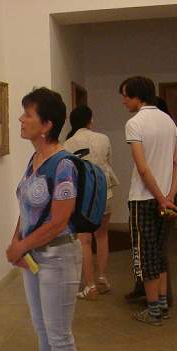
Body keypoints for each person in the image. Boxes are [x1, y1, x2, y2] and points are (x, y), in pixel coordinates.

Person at [6, 87, 82, 351]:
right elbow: (28, 207)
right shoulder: (34, 159)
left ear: (47, 124)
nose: (21, 120)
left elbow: (58, 221)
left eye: (28, 114)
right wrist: (16, 242)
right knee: (41, 328)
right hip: (34, 257)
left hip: (59, 258)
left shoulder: (63, 165)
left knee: (59, 333)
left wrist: (21, 246)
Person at [120, 77, 177, 326]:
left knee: (145, 256)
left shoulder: (135, 123)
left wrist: (160, 198)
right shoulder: (169, 121)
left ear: (137, 96)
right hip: (163, 198)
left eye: (125, 96)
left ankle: (153, 310)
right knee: (158, 252)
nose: (123, 101)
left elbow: (143, 168)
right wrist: (169, 197)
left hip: (143, 198)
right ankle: (162, 306)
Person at [63, 105, 120, 300]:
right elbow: (108, 163)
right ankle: (102, 277)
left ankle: (90, 286)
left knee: (84, 241)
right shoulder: (103, 139)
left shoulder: (67, 144)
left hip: (83, 199)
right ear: (90, 120)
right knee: (102, 236)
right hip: (105, 193)